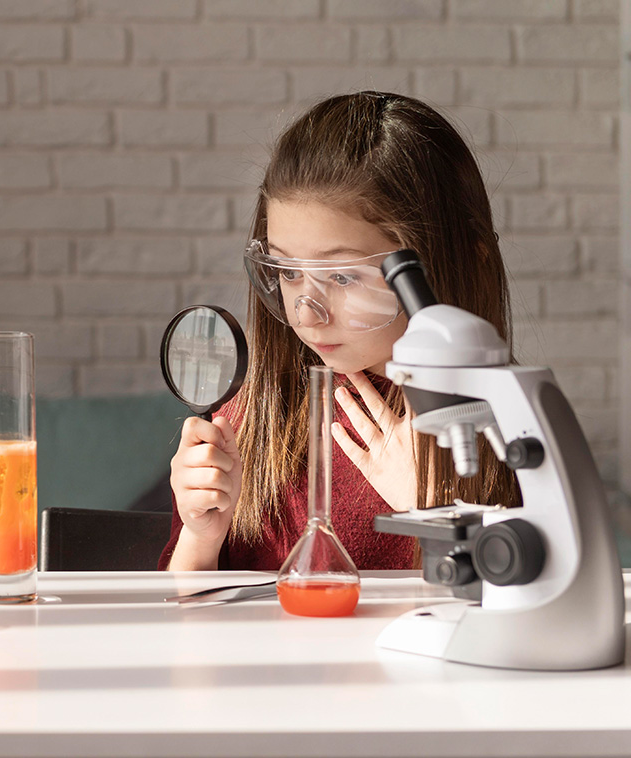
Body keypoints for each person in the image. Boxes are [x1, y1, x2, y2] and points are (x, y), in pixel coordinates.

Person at [162, 91, 520, 571]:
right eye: (288, 273)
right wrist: (200, 534)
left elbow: (533, 616)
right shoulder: (249, 419)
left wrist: (435, 511)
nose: (306, 314)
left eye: (343, 277)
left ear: (455, 262)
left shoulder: (510, 424)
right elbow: (180, 618)